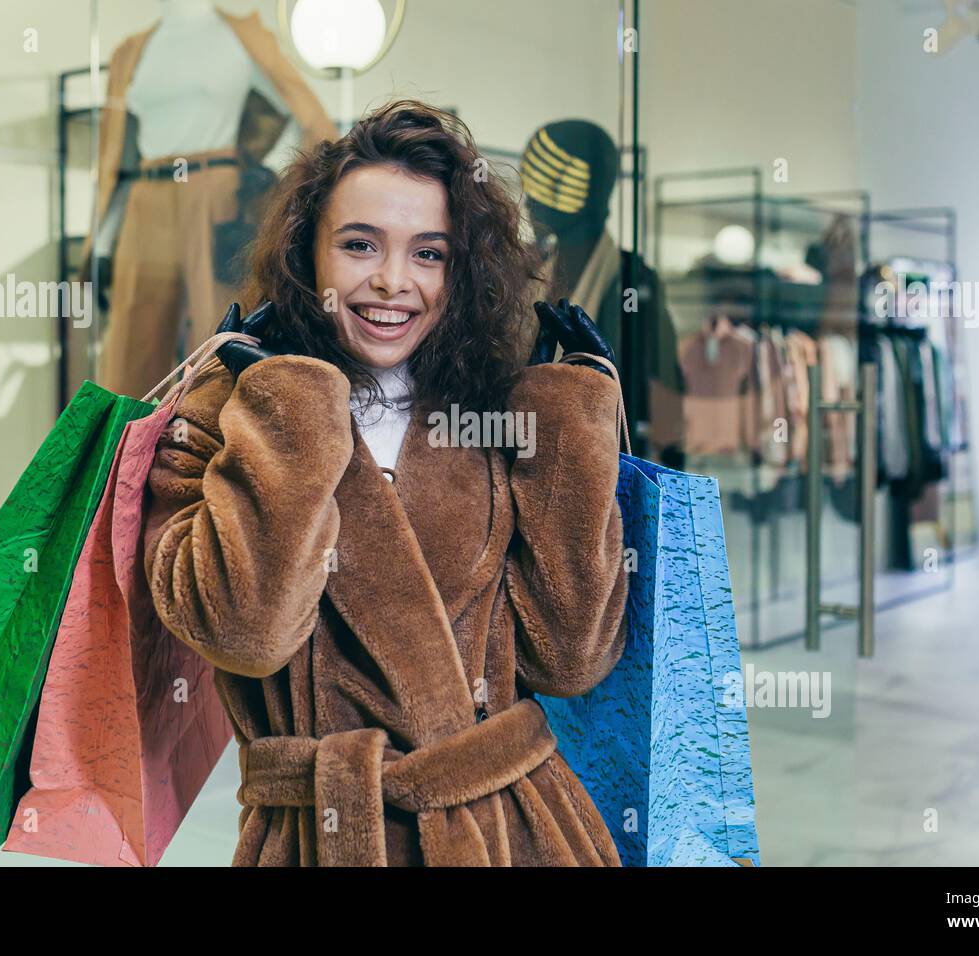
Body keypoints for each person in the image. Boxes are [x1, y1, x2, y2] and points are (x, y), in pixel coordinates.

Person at [141, 98, 629, 866]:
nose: (394, 283)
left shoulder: (496, 412)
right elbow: (248, 632)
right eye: (361, 245)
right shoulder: (220, 417)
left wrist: (572, 415)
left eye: (429, 253)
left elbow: (571, 658)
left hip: (515, 833)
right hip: (319, 836)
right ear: (310, 256)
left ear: (462, 268)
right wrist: (287, 413)